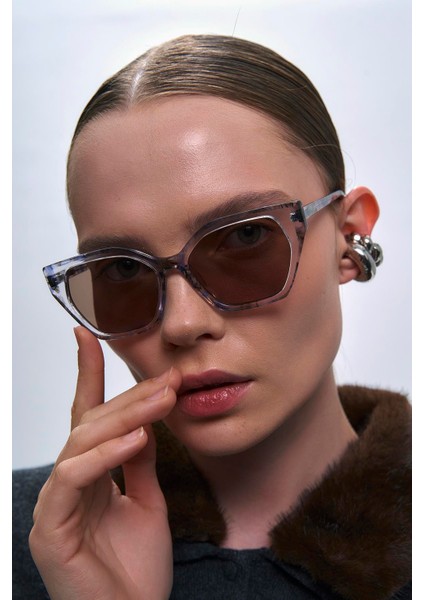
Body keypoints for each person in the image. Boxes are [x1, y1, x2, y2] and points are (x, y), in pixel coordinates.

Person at [12, 34, 411, 600]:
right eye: (122, 270)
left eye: (245, 238)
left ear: (348, 237)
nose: (181, 324)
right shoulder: (24, 540)